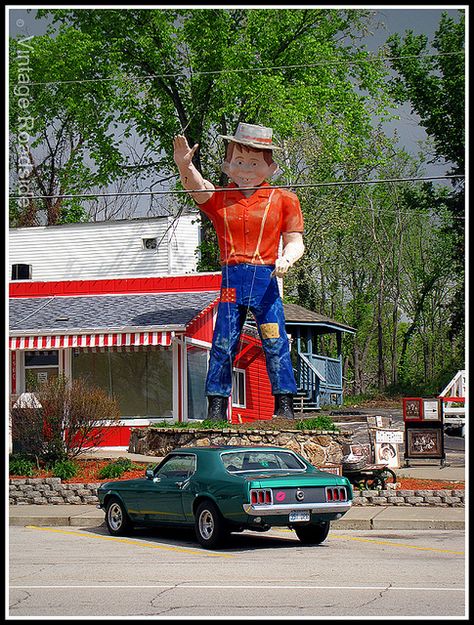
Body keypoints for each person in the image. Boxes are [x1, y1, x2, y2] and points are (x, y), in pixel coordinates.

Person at [173, 123, 305, 420]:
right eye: (239, 162)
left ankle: (284, 405)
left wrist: (287, 258)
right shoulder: (220, 198)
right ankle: (216, 407)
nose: (245, 169)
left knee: (275, 340)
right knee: (223, 341)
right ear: (228, 165)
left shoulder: (284, 200)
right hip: (232, 281)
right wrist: (185, 166)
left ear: (270, 167)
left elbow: (296, 242)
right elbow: (196, 186)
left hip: (267, 282)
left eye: (254, 163)